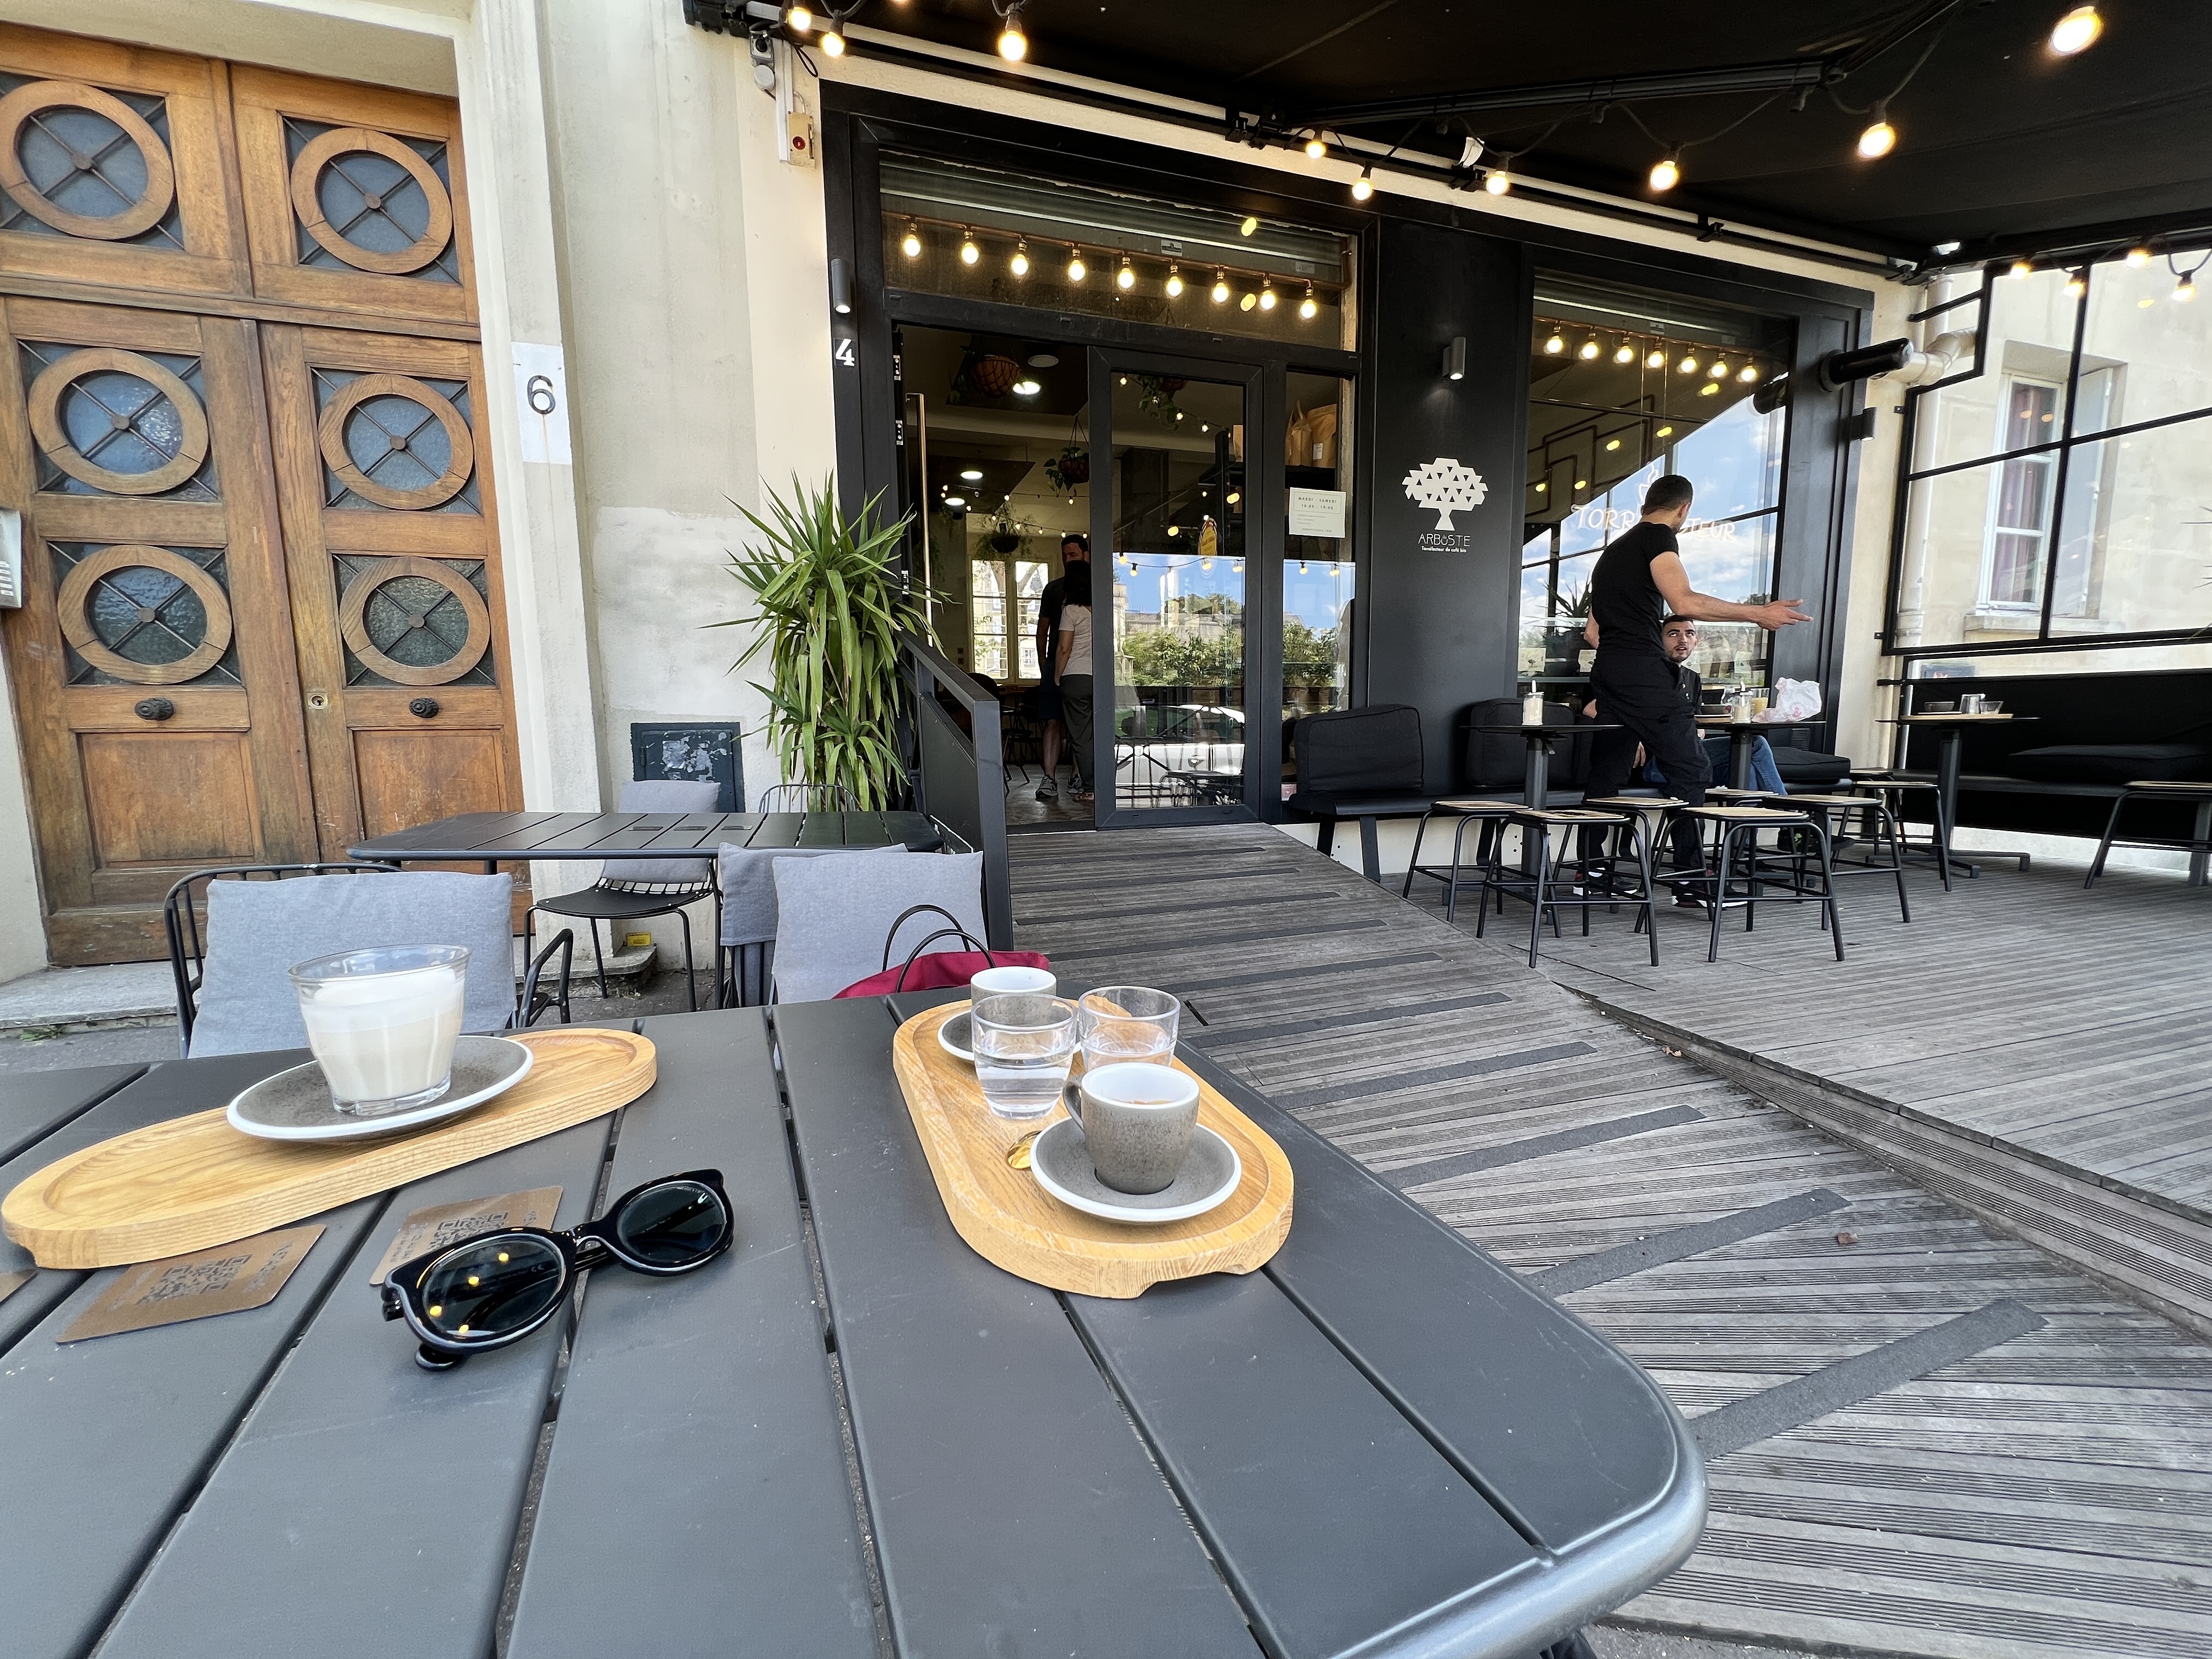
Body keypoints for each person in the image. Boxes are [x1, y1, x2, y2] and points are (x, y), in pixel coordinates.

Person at [1583, 474, 1809, 902]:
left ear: (1648, 502)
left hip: (1610, 668)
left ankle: (1592, 871)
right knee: (1691, 769)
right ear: (1684, 509)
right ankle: (1690, 879)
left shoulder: (1613, 552)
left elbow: (1593, 632)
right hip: (1642, 671)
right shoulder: (1657, 538)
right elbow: (1684, 602)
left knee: (1608, 772)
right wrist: (1757, 613)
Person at [1585, 618, 1789, 795]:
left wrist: (1698, 730)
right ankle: (1786, 811)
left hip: (1689, 757)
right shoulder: (1645, 677)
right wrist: (1632, 736)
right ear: (1658, 640)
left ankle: (1746, 829)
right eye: (1673, 634)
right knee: (1756, 744)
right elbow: (1591, 708)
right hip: (1659, 763)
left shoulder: (1692, 678)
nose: (1682, 640)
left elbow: (1696, 721)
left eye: (1689, 634)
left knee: (1745, 769)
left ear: (1696, 641)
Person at [1032, 533, 1090, 800]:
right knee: (1053, 721)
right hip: (1056, 662)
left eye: (1073, 555)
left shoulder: (1096, 590)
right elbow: (1042, 627)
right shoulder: (1053, 589)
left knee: (1083, 725)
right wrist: (1043, 661)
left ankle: (1079, 777)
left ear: (1086, 555)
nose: (1068, 560)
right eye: (1065, 556)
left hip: (1084, 667)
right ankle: (1049, 778)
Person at [1052, 562, 1097, 804]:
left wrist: (1057, 677)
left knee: (1081, 737)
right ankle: (1106, 784)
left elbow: (1064, 648)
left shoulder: (1071, 611)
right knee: (1100, 734)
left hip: (1076, 677)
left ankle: (1090, 788)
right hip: (1100, 679)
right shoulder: (1102, 609)